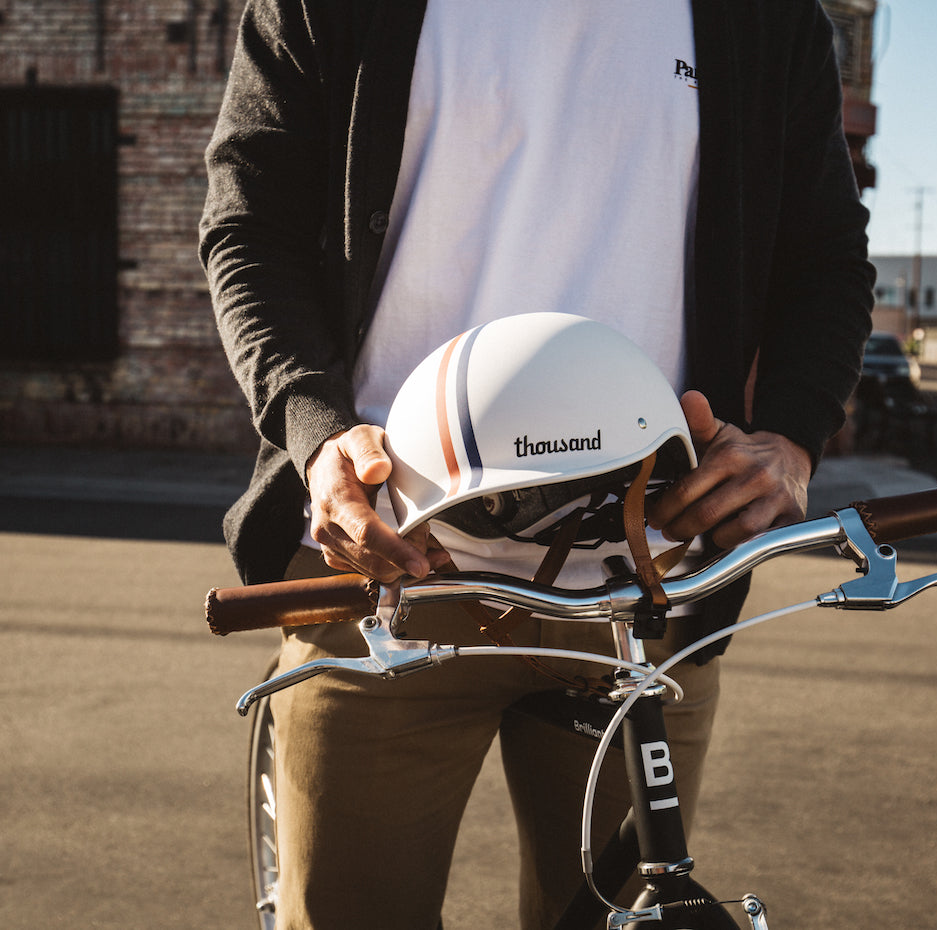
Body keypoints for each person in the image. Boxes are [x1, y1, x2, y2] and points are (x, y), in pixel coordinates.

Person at [199, 1, 874, 926]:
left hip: (649, 581)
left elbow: (827, 258)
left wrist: (791, 439)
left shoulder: (762, 20)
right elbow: (248, 223)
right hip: (388, 569)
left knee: (622, 921)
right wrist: (314, 433)